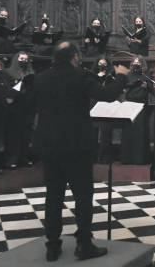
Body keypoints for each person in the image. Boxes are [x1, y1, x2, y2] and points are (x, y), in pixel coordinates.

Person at [31, 41, 129, 262]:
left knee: (53, 197)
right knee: (83, 196)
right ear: (75, 57)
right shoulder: (80, 76)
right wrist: (122, 76)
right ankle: (84, 245)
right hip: (77, 146)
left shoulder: (40, 79)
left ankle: (52, 246)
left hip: (49, 146)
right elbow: (107, 95)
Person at [6, 52, 37, 169]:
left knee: (26, 134)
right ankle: (12, 159)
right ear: (16, 59)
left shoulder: (31, 72)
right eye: (21, 58)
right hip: (15, 105)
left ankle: (24, 157)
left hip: (28, 106)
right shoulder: (9, 72)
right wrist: (21, 83)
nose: (23, 61)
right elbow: (8, 90)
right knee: (14, 134)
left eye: (26, 59)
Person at [93, 57, 124, 164]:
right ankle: (93, 157)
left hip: (106, 107)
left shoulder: (110, 77)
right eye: (100, 63)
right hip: (94, 106)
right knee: (93, 133)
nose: (102, 65)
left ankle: (105, 157)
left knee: (106, 133)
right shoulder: (93, 77)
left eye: (104, 63)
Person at [120, 57, 151, 165]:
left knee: (140, 132)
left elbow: (152, 89)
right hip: (129, 104)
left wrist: (146, 86)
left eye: (138, 62)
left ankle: (139, 159)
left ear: (142, 64)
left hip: (141, 105)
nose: (136, 64)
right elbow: (123, 88)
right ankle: (126, 158)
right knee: (128, 132)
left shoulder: (145, 76)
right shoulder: (128, 75)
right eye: (134, 62)